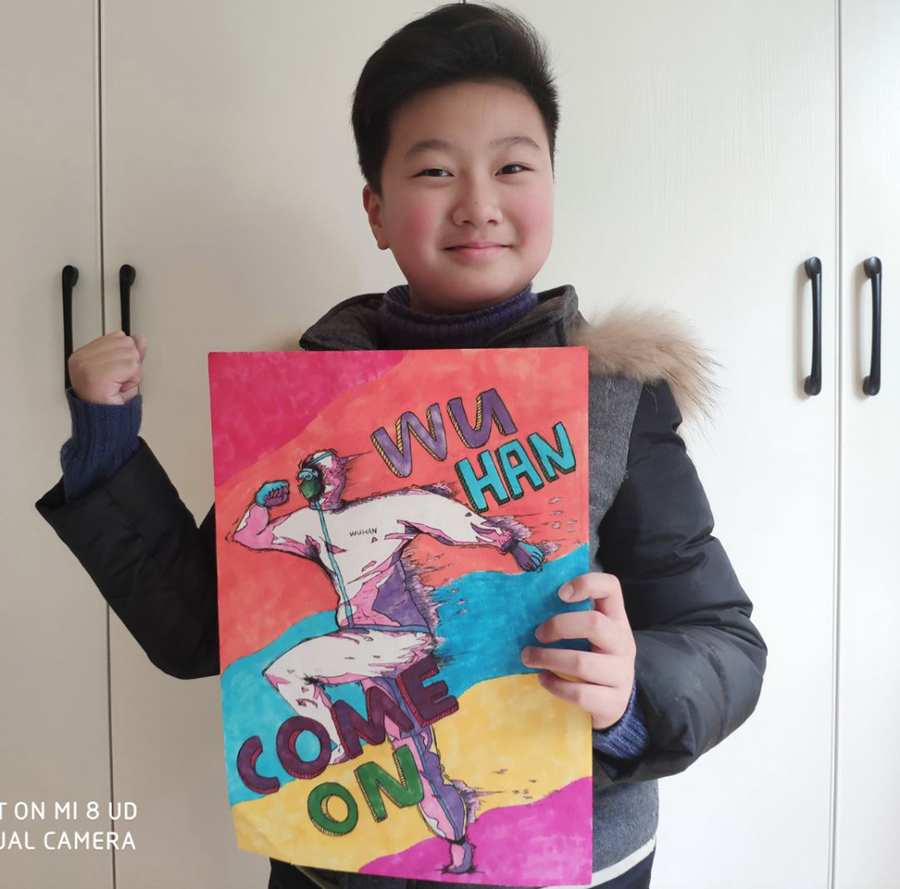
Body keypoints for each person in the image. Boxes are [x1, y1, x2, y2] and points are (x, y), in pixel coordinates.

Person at [34, 4, 767, 889]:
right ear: (377, 211)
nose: (478, 204)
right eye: (434, 170)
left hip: (573, 860)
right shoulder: (304, 404)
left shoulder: (612, 393)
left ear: (551, 187)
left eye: (512, 166)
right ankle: (353, 757)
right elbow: (198, 629)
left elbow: (721, 638)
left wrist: (631, 692)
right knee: (393, 740)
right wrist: (107, 446)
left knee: (418, 745)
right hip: (340, 867)